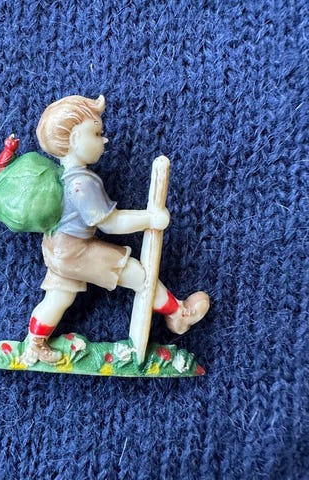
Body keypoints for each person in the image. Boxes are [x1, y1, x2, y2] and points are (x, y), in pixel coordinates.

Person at [20, 95, 209, 366]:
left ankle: (34, 343)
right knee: (140, 275)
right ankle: (177, 313)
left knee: (58, 298)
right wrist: (150, 218)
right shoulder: (82, 184)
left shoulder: (62, 177)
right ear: (74, 139)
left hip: (57, 248)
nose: (104, 139)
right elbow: (110, 223)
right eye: (96, 133)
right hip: (76, 251)